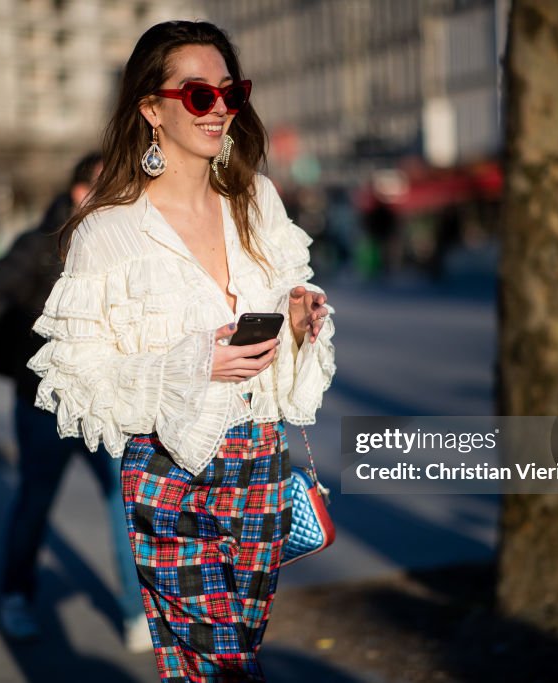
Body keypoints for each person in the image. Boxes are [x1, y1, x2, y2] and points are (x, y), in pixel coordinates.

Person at [27, 21, 335, 681]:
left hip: (262, 463)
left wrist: (302, 322)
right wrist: (194, 364)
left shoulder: (256, 201)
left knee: (228, 653)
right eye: (198, 94)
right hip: (171, 471)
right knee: (220, 664)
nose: (220, 106)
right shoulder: (108, 234)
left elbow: (284, 331)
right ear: (151, 109)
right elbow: (77, 381)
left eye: (231, 91)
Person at [0, 153, 151, 651]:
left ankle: (137, 612)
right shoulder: (39, 245)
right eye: (108, 188)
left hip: (104, 404)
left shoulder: (121, 247)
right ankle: (16, 597)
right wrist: (41, 350)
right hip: (42, 407)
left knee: (125, 497)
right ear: (79, 193)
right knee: (35, 500)